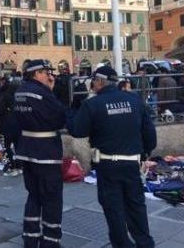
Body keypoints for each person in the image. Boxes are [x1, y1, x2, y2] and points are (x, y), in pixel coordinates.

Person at [67, 66, 156, 248]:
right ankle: (145, 243)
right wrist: (144, 153)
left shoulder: (93, 104)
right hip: (132, 163)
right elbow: (150, 134)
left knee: (113, 209)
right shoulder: (134, 99)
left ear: (99, 81)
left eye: (93, 81)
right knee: (136, 207)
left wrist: (72, 110)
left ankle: (122, 245)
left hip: (107, 165)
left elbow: (77, 130)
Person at [12, 59, 66, 247]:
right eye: (45, 72)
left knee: (33, 195)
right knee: (52, 198)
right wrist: (51, 92)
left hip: (26, 148)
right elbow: (60, 117)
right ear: (36, 74)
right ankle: (51, 240)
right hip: (46, 152)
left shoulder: (19, 91)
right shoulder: (42, 93)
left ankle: (30, 237)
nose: (49, 76)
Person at [0, 81, 21, 177]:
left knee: (6, 146)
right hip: (19, 125)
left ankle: (10, 165)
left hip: (7, 125)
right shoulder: (21, 97)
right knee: (18, 146)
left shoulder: (5, 96)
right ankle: (19, 165)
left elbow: (0, 111)